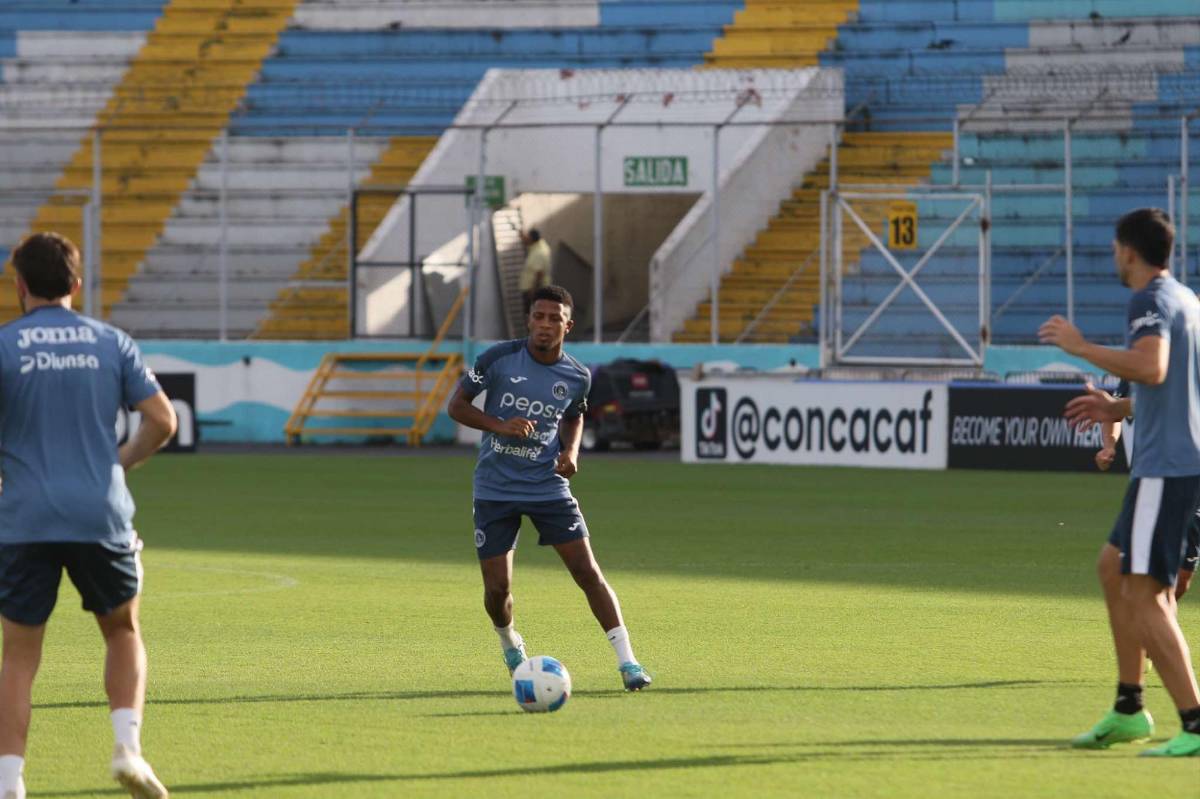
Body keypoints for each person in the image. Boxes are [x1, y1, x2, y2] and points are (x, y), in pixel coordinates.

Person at [0, 233, 177, 797]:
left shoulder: (5, 347)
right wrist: (116, 467)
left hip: (24, 516)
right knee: (121, 630)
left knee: (20, 655)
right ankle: (127, 748)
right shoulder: (112, 343)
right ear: (77, 284)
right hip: (99, 513)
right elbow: (162, 421)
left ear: (19, 285)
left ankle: (9, 782)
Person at [1039, 208, 1200, 757]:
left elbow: (1152, 367)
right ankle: (1130, 707)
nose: (1114, 257)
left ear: (1129, 252)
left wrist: (1080, 348)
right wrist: (1118, 407)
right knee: (1113, 569)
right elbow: (1172, 386)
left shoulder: (1149, 300)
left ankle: (1196, 723)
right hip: (1173, 462)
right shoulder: (1186, 299)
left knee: (1147, 595)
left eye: (1115, 249)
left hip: (1166, 466)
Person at [447, 285, 651, 691]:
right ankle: (509, 640)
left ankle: (628, 663)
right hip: (495, 488)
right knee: (498, 589)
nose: (544, 325)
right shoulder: (498, 358)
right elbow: (457, 405)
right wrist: (498, 424)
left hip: (547, 486)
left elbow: (574, 416)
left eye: (553, 319)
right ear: (529, 320)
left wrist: (571, 451)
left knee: (587, 571)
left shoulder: (577, 376)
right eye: (538, 317)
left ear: (567, 325)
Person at [1083, 382, 1198, 599]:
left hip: (1191, 480)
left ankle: (1155, 624)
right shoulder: (1135, 368)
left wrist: (1080, 347)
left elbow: (1169, 406)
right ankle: (1145, 624)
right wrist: (1109, 445)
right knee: (1128, 570)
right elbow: (1112, 412)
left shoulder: (1187, 364)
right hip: (1152, 476)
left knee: (1181, 578)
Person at [518, 229, 552, 317]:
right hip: (531, 291)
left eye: (527, 238)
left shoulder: (539, 252)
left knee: (533, 318)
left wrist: (533, 292)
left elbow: (539, 274)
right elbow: (527, 244)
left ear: (531, 239)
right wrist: (523, 236)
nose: (525, 240)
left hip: (534, 291)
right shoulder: (536, 246)